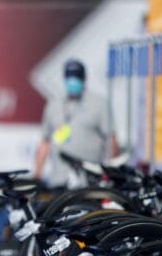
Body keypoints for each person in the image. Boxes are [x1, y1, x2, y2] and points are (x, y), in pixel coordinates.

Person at [34, 58, 118, 187]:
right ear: (64, 78)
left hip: (88, 181)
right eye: (70, 77)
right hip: (59, 179)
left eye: (77, 77)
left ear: (84, 78)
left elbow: (110, 139)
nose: (73, 81)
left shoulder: (99, 104)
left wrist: (110, 172)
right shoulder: (54, 104)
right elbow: (45, 142)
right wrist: (37, 175)